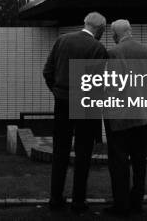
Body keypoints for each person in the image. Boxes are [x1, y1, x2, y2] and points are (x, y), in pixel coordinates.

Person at [43, 12, 109, 214]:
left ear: (85, 23)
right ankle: (78, 201)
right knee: (83, 152)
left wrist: (57, 92)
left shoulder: (62, 40)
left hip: (62, 101)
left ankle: (55, 198)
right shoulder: (97, 48)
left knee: (60, 150)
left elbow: (47, 71)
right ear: (100, 30)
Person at [103, 20, 147, 216]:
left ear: (116, 34)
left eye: (112, 34)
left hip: (121, 116)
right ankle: (137, 202)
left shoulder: (114, 52)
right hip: (142, 115)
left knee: (119, 162)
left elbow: (114, 86)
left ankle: (121, 205)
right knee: (139, 161)